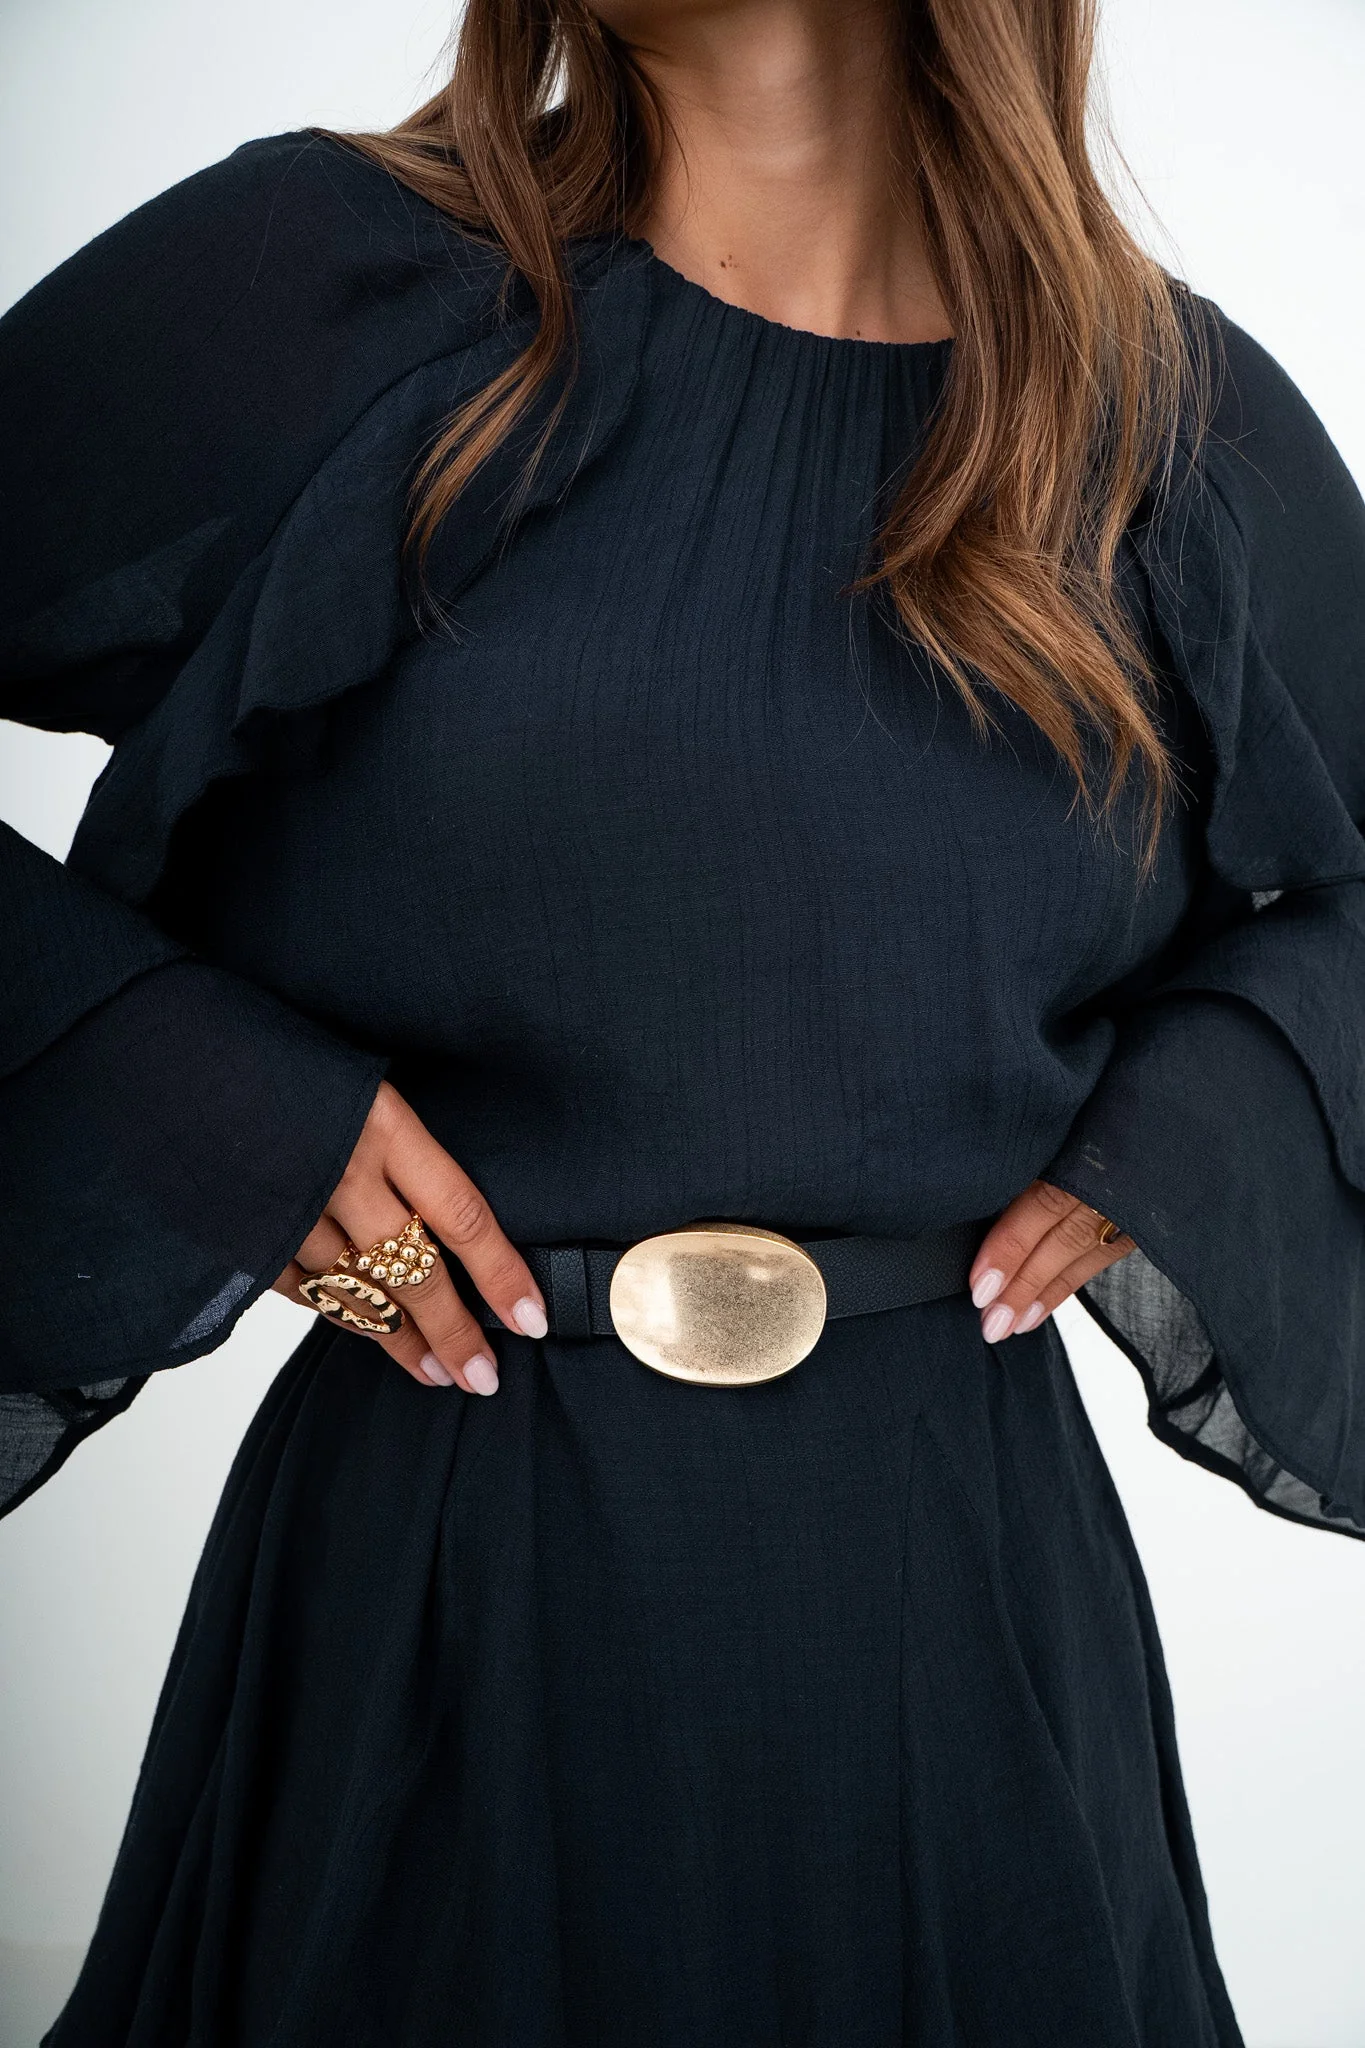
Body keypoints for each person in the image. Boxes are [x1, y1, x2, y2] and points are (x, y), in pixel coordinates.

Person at [2, 0, 1362, 2040]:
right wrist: (183, 1088)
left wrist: (1194, 1113)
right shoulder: (332, 289)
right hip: (435, 1612)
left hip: (964, 1648)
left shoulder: (1161, 426)